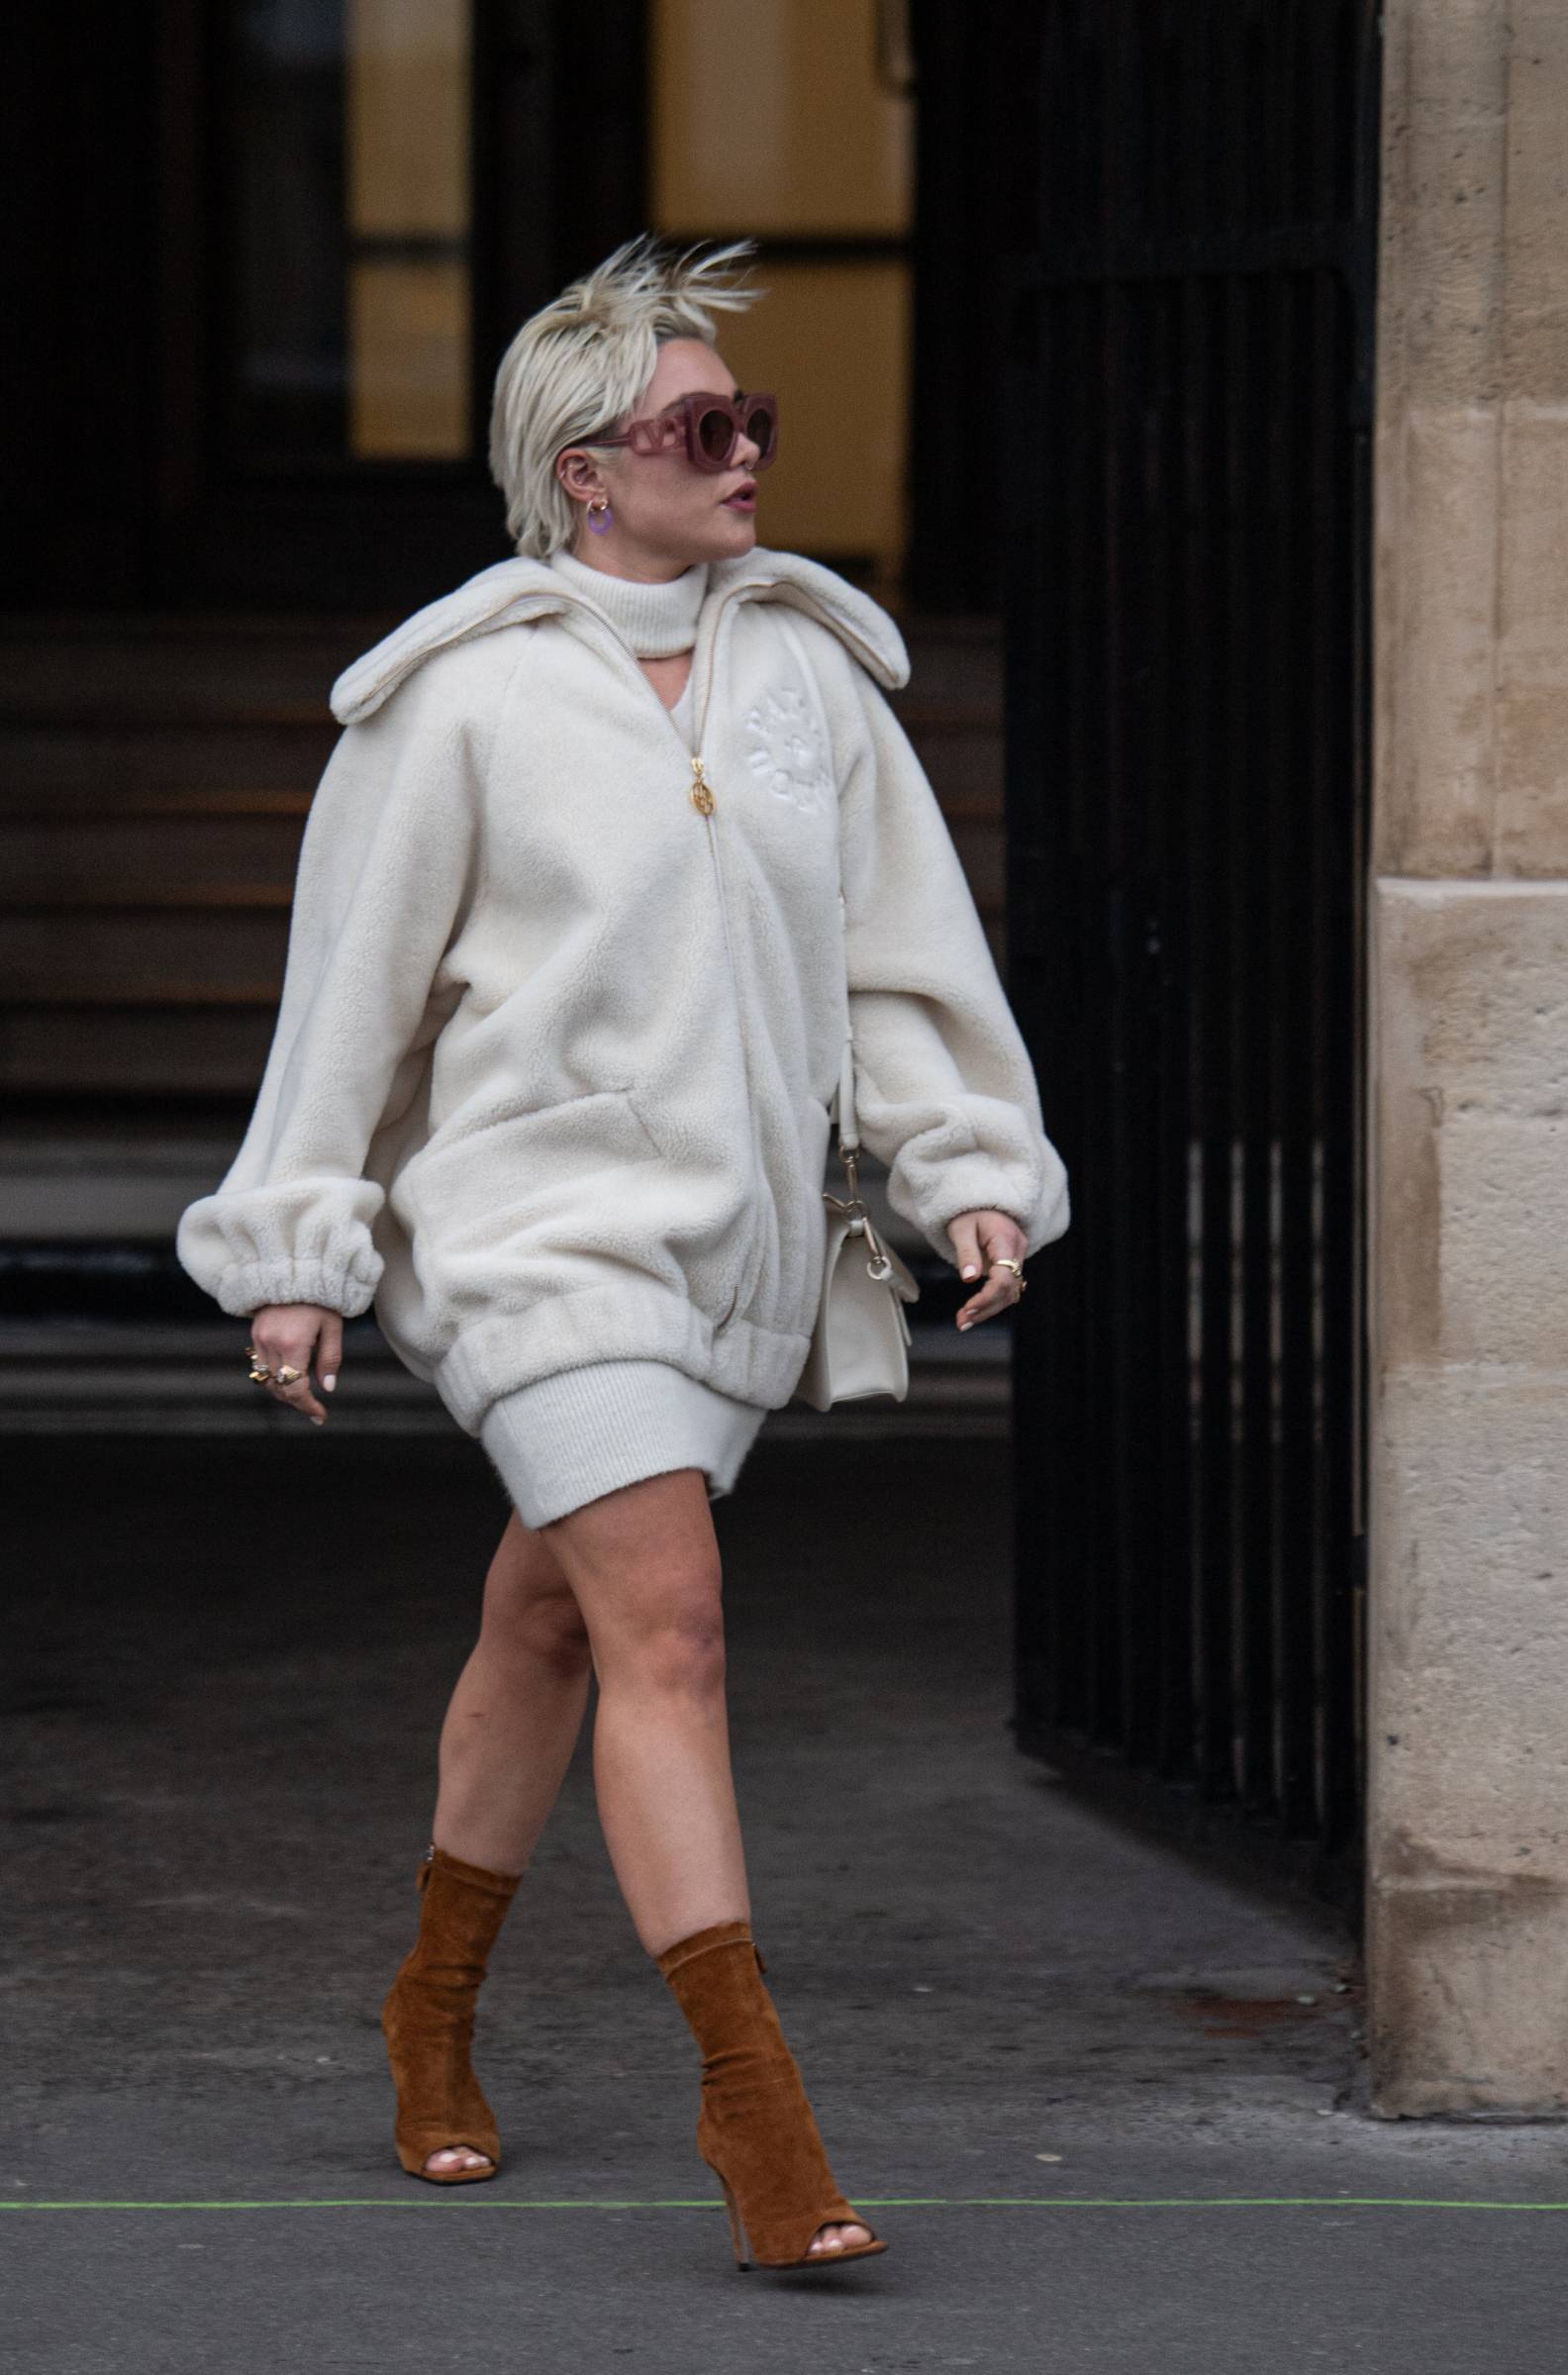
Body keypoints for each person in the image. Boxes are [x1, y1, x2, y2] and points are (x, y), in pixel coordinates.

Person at [176, 232, 1071, 2271]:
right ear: (587, 468)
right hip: (534, 1233)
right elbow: (351, 1003)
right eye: (697, 426)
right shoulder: (456, 698)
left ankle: (427, 2010)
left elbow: (900, 970)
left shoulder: (811, 680)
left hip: (733, 1251)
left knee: (552, 1624)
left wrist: (964, 1170)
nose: (742, 452)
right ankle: (758, 2120)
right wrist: (302, 1244)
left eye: (746, 420)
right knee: (668, 1620)